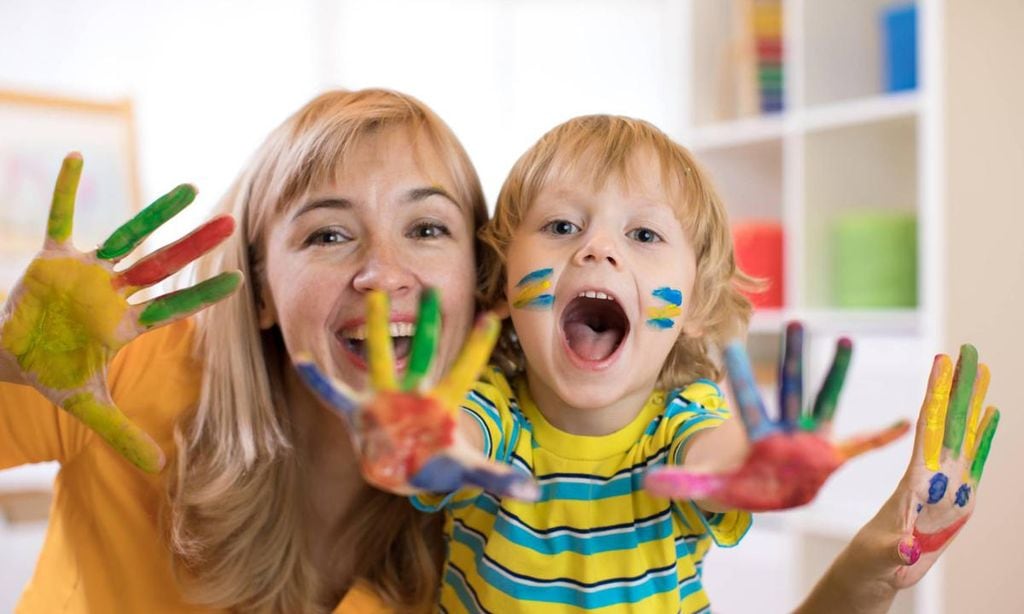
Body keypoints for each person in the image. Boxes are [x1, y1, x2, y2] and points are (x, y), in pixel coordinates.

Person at [299, 114, 923, 612]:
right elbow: (455, 445)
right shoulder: (496, 409)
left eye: (644, 236)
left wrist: (753, 465)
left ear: (697, 303)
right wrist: (418, 445)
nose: (598, 248)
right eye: (563, 225)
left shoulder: (680, 420)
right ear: (502, 284)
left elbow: (712, 454)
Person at [0, 88, 489, 613]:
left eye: (427, 228)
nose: (382, 274)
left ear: (479, 278)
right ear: (260, 292)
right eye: (328, 235)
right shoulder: (119, 374)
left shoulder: (495, 502)